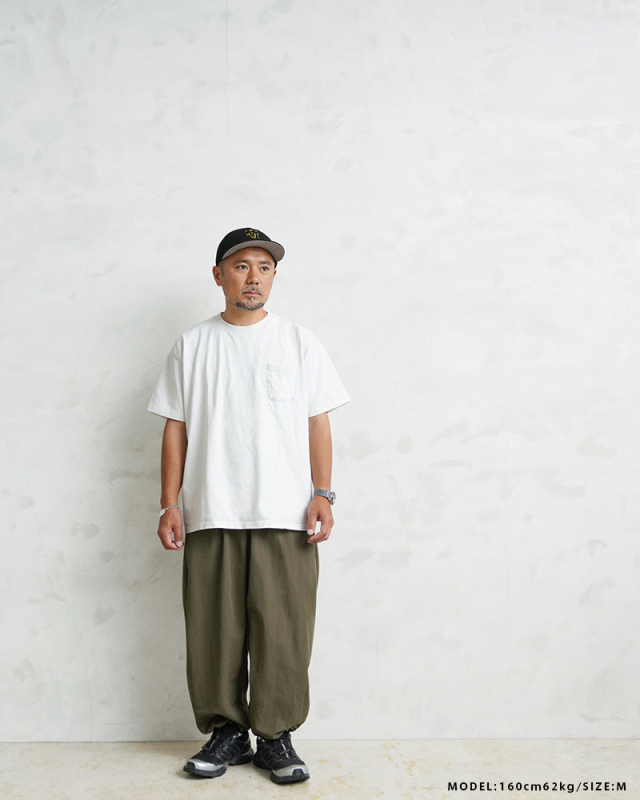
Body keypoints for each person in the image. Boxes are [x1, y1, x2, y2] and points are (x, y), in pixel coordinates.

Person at [146, 227, 351, 785]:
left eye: (264, 267)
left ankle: (276, 736)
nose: (253, 277)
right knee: (213, 630)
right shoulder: (193, 345)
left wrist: (323, 493)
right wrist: (168, 504)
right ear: (219, 276)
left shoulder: (298, 341)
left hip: (285, 511)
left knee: (284, 629)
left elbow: (317, 422)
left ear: (274, 276)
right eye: (241, 266)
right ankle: (227, 733)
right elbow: (175, 427)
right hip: (211, 508)